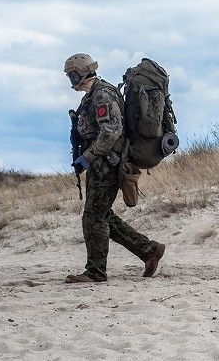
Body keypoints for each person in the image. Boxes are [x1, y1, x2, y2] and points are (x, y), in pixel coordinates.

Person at [64, 53, 166, 283]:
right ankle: (148, 250)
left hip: (106, 164)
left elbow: (111, 131)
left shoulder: (102, 94)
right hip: (100, 163)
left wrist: (87, 157)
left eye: (71, 75)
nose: (71, 81)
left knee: (94, 216)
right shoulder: (93, 95)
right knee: (102, 214)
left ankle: (96, 272)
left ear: (79, 73)